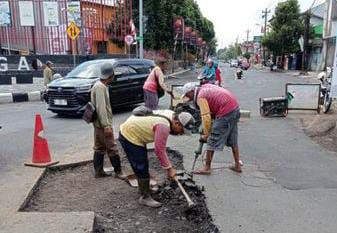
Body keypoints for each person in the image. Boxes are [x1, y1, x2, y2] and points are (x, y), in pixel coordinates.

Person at [119, 109, 195, 208]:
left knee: (142, 162)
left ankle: (144, 188)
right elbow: (159, 150)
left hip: (135, 130)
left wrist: (168, 168)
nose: (181, 134)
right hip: (130, 135)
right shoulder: (164, 126)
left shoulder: (171, 115)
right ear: (176, 123)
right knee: (141, 165)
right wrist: (169, 169)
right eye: (181, 131)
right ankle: (144, 197)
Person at [181, 82, 242, 174]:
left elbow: (206, 118)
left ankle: (207, 168)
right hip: (234, 108)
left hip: (225, 110)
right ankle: (237, 165)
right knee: (232, 138)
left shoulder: (200, 97)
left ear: (192, 91)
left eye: (187, 94)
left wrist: (206, 134)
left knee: (212, 138)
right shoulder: (205, 88)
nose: (187, 97)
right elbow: (212, 110)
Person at [91, 63, 126, 179]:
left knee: (99, 147)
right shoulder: (101, 87)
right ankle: (118, 172)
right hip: (102, 124)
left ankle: (98, 171)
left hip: (97, 124)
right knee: (112, 148)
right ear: (111, 75)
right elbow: (101, 108)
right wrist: (106, 126)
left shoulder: (97, 85)